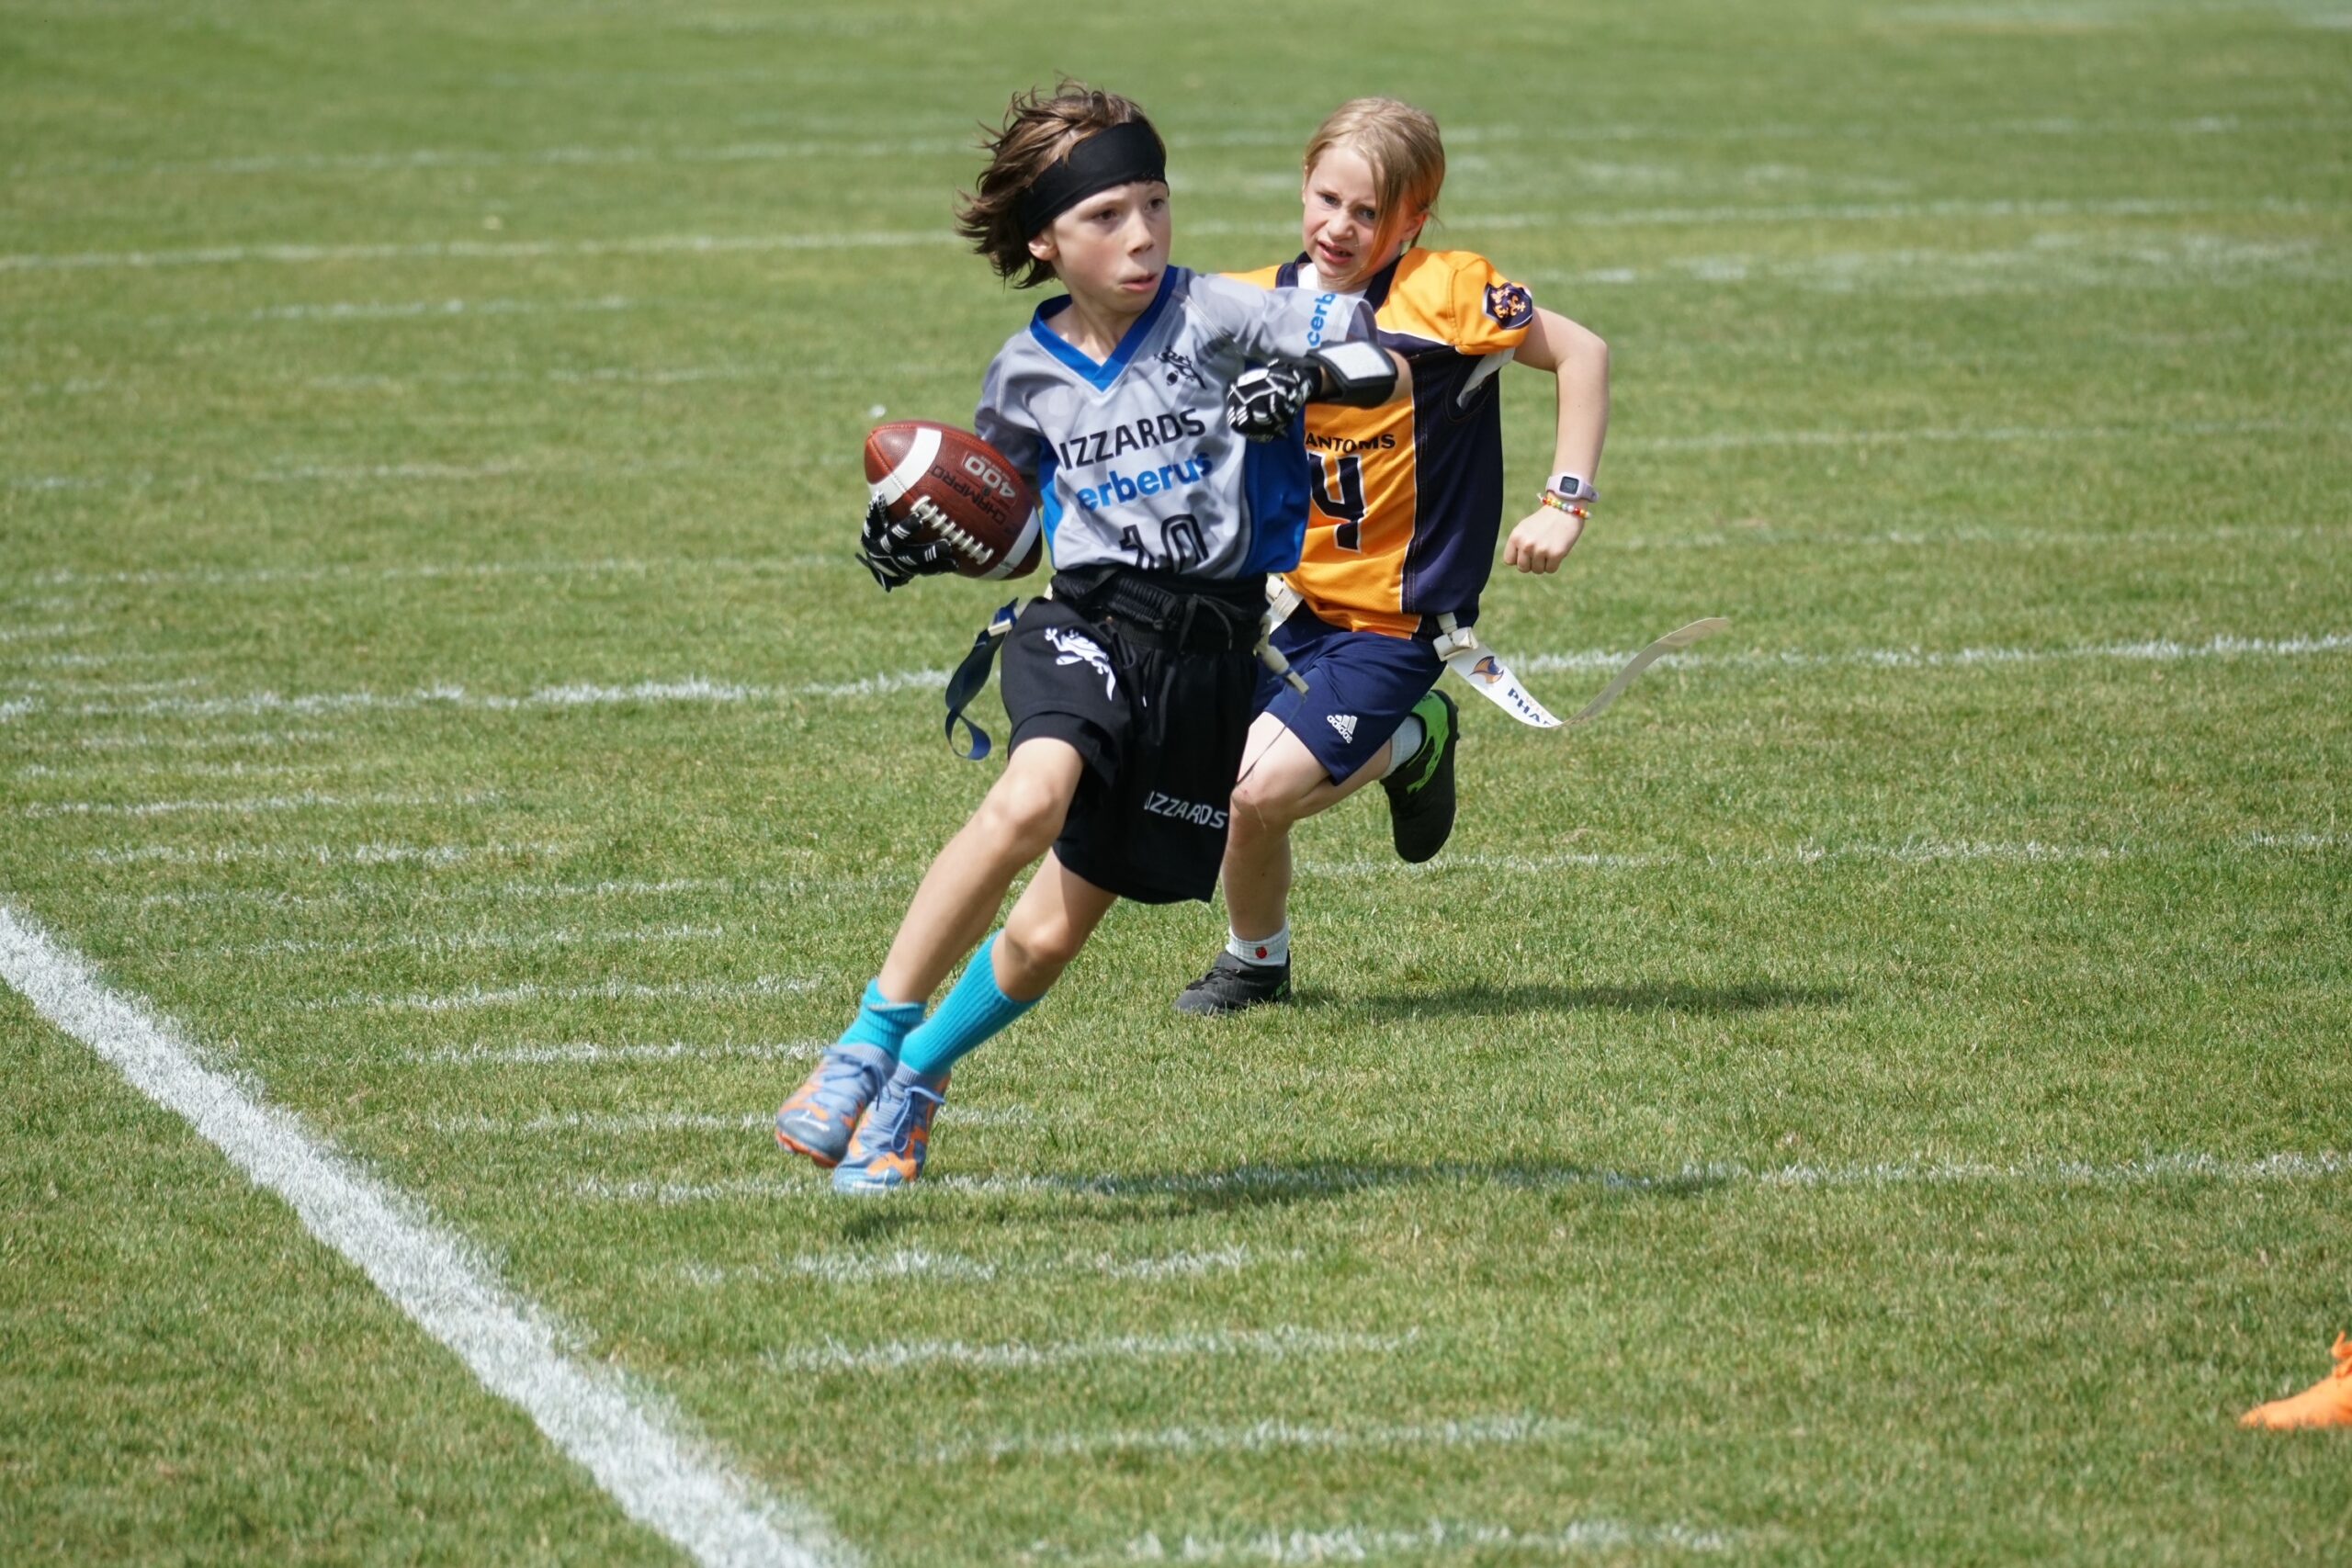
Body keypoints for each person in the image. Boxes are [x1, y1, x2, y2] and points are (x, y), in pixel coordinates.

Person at [773, 82, 1409, 1191]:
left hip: (1206, 660)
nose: (1143, 235)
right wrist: (927, 541)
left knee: (1047, 937)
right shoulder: (1023, 375)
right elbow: (1017, 534)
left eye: (1154, 204)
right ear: (1044, 239)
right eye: (1106, 216)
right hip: (1088, 622)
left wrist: (1298, 376)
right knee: (1027, 797)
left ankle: (916, 1080)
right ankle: (865, 1040)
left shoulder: (1224, 313)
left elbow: (1381, 362)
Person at [1174, 96, 1611, 1016]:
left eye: (1368, 213)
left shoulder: (1447, 293)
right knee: (1200, 771)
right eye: (1326, 198)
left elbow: (1582, 352)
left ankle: (1413, 734)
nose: (1339, 226)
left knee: (1256, 793)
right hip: (1282, 610)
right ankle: (1258, 959)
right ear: (1301, 186)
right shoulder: (1252, 302)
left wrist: (1563, 503)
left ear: (1414, 220)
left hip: (1395, 624)